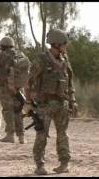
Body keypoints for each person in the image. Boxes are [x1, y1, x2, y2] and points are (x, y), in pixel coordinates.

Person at [27, 29, 77, 175]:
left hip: (62, 103)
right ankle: (39, 165)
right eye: (64, 44)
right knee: (42, 134)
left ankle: (64, 163)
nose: (65, 47)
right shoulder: (42, 59)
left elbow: (70, 81)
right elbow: (30, 81)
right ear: (56, 44)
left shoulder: (65, 60)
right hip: (44, 104)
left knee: (63, 134)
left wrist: (73, 99)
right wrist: (28, 102)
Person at [0, 36, 30, 144]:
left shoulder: (3, 56)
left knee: (7, 111)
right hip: (18, 88)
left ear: (3, 46)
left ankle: (10, 135)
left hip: (6, 88)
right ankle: (21, 137)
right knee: (18, 111)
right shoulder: (20, 54)